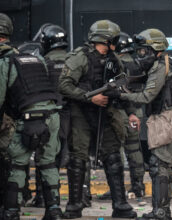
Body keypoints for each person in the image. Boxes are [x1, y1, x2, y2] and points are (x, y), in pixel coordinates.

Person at [58, 20, 137, 219]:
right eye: (113, 39)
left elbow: (122, 87)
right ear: (104, 39)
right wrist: (89, 97)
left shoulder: (113, 59)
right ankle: (74, 206)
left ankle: (120, 205)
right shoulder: (80, 58)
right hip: (81, 114)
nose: (116, 44)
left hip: (105, 113)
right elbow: (64, 86)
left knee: (113, 158)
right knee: (78, 159)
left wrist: (131, 112)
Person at [117, 28, 172, 220]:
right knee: (161, 165)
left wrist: (120, 94)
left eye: (143, 51)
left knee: (159, 165)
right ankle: (161, 210)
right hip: (171, 116)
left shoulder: (160, 66)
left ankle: (161, 212)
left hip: (169, 117)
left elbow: (147, 95)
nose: (140, 55)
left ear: (155, 49)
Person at [0, 12, 63, 220]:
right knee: (47, 163)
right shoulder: (34, 58)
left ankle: (10, 212)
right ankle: (54, 210)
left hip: (27, 119)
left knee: (18, 164)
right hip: (52, 116)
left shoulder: (4, 62)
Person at [98, 31, 146, 201]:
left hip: (118, 111)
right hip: (136, 112)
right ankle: (138, 186)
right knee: (134, 149)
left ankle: (116, 188)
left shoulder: (114, 64)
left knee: (115, 150)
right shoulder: (136, 64)